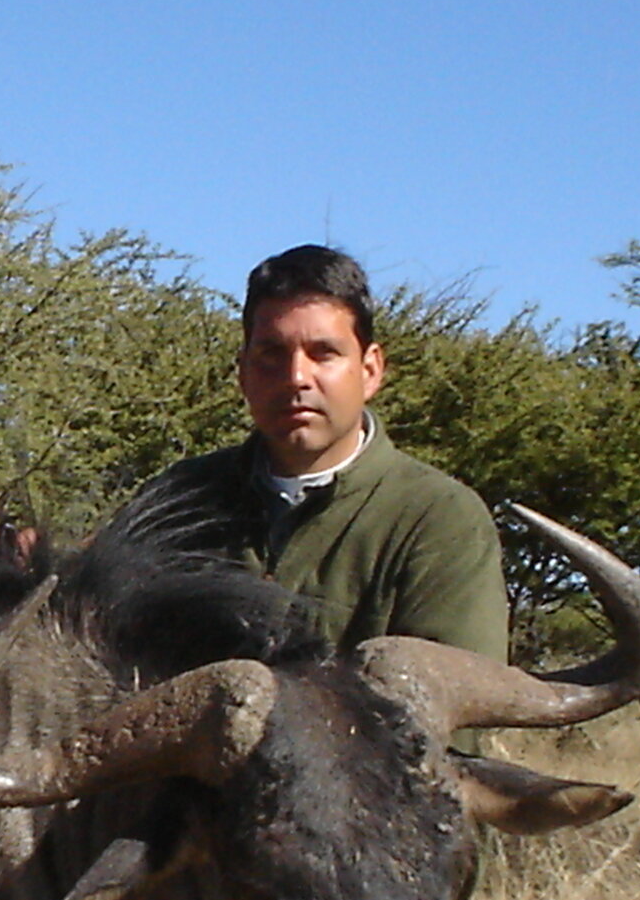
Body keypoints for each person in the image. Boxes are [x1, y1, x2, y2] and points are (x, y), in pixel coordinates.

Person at [156, 244, 509, 661]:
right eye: (272, 354)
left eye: (324, 354)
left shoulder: (439, 518)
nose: (296, 378)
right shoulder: (176, 500)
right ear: (243, 373)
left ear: (370, 370)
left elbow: (455, 709)